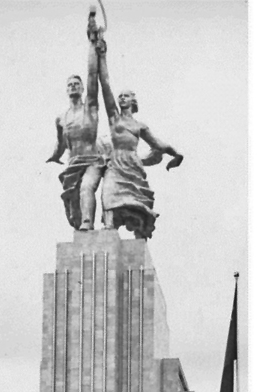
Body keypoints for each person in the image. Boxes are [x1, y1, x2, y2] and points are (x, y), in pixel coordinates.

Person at [96, 38, 183, 239]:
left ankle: (139, 232)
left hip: (132, 164)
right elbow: (105, 85)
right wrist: (102, 56)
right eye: (120, 97)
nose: (121, 99)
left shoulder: (139, 126)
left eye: (125, 96)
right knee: (108, 193)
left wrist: (176, 154)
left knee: (137, 201)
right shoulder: (114, 118)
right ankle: (109, 229)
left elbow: (158, 144)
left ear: (133, 102)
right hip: (115, 163)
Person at [47, 9, 106, 232]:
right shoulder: (61, 118)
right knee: (71, 207)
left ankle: (88, 223)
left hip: (92, 159)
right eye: (69, 84)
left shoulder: (90, 108)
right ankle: (79, 219)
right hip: (72, 163)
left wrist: (92, 44)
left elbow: (92, 75)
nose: (73, 87)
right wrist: (54, 156)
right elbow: (61, 143)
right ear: (66, 90)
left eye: (76, 84)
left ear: (81, 89)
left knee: (87, 188)